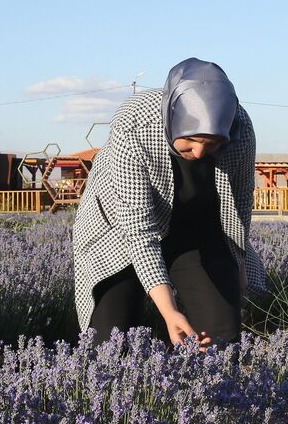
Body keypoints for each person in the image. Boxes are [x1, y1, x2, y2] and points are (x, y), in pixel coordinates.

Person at [73, 58, 265, 347]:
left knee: (221, 336)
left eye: (213, 144)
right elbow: (138, 230)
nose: (200, 153)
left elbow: (239, 203)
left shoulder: (240, 127)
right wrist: (169, 311)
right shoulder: (134, 122)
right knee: (111, 341)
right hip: (120, 228)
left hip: (196, 228)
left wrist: (237, 262)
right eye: (192, 140)